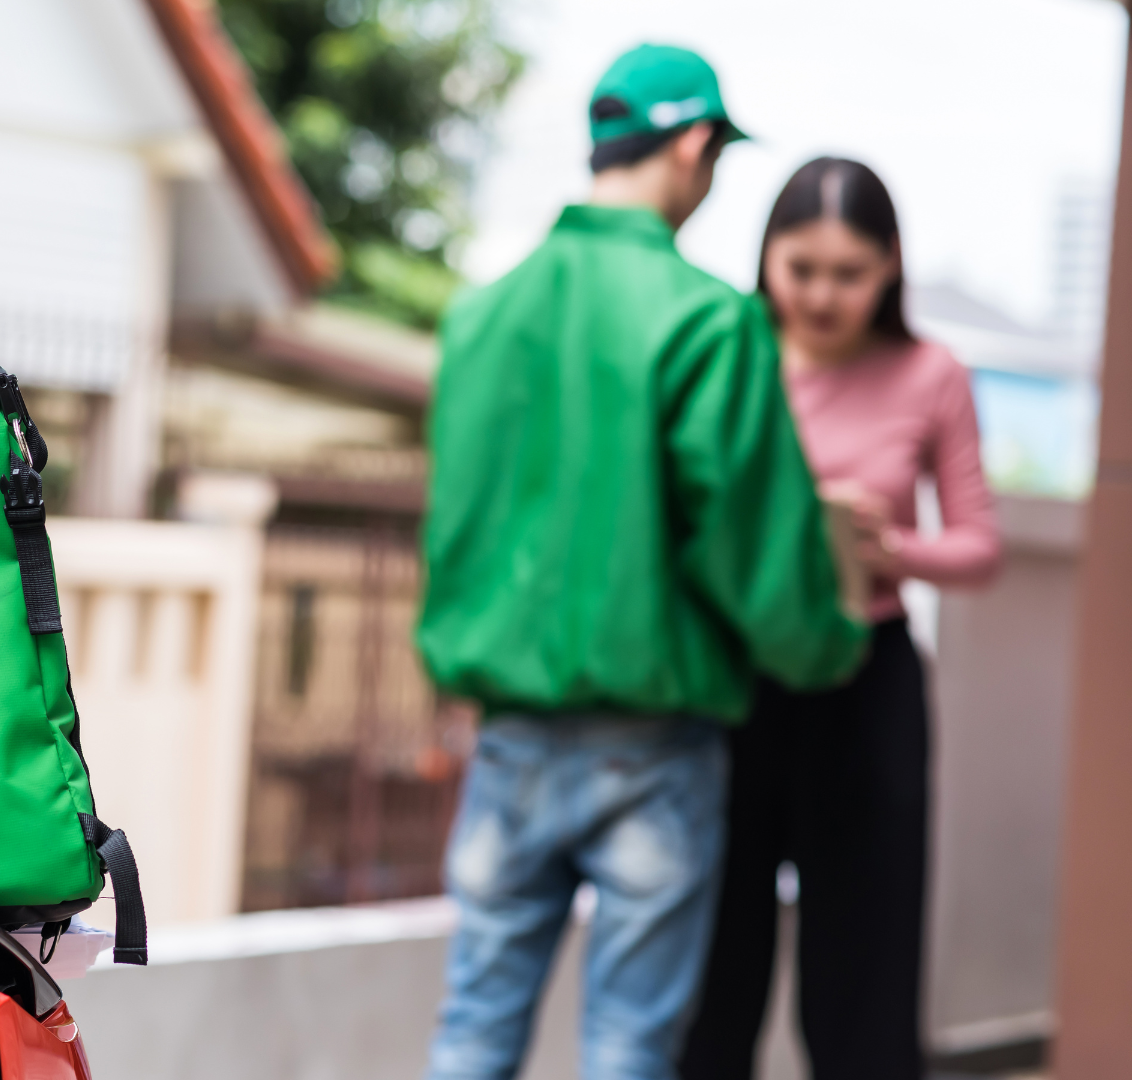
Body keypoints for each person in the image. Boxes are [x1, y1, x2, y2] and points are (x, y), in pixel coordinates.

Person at [419, 46, 868, 1080]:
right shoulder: (709, 320)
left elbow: (457, 525)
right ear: (695, 144)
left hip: (510, 737)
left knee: (474, 1026)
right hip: (653, 748)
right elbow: (755, 552)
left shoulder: (482, 318)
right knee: (627, 1043)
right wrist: (831, 648)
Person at [678, 158, 1002, 1080]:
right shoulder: (728, 350)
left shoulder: (931, 372)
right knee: (714, 959)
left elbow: (980, 546)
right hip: (739, 680)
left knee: (866, 958)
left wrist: (887, 546)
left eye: (849, 273)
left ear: (892, 266)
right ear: (765, 258)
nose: (822, 295)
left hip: (870, 682)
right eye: (801, 267)